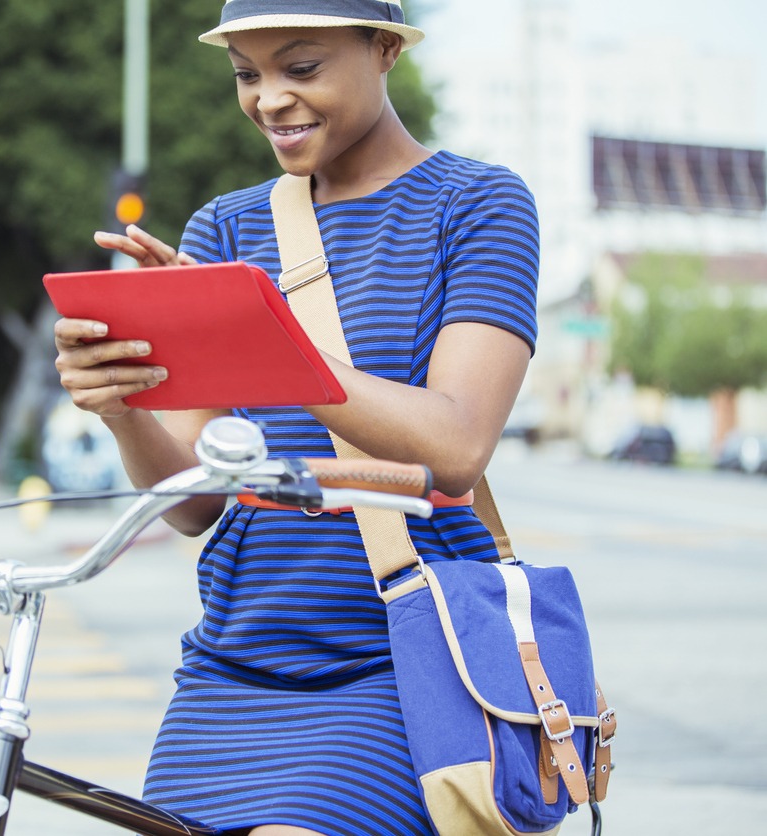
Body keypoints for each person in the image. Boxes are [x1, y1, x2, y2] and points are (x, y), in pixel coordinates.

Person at [53, 2, 538, 834]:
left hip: (399, 660)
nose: (269, 98)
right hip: (232, 663)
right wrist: (124, 402)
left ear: (385, 48)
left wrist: (258, 342)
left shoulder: (479, 205)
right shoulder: (226, 226)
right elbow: (195, 503)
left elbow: (456, 445)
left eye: (301, 68)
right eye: (248, 74)